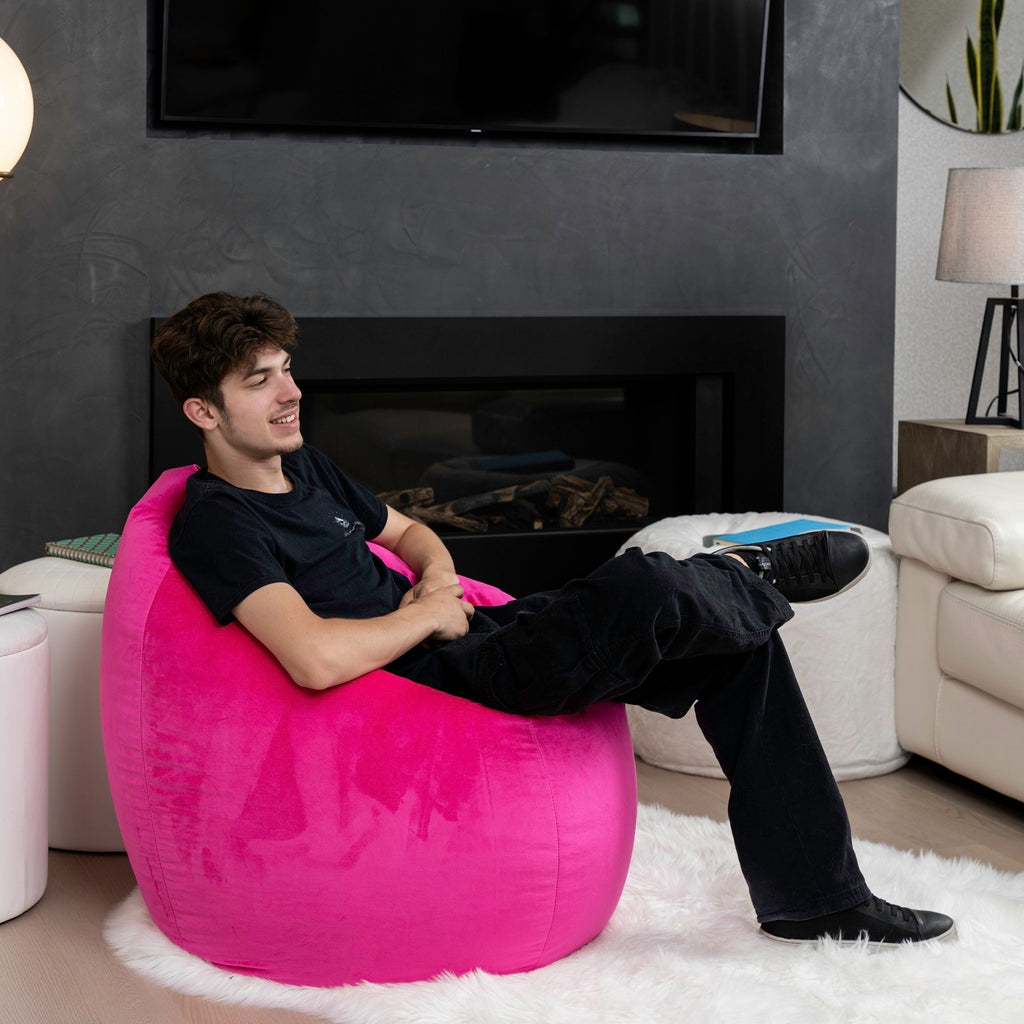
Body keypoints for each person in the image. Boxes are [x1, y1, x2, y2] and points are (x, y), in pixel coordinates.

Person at [151, 291, 955, 948]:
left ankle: (817, 899)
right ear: (204, 411)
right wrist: (430, 620)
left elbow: (413, 532)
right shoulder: (217, 523)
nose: (292, 394)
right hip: (435, 681)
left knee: (739, 645)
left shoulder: (307, 468)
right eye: (260, 381)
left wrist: (438, 584)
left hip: (468, 633)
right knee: (641, 587)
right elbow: (313, 658)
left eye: (287, 370)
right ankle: (743, 568)